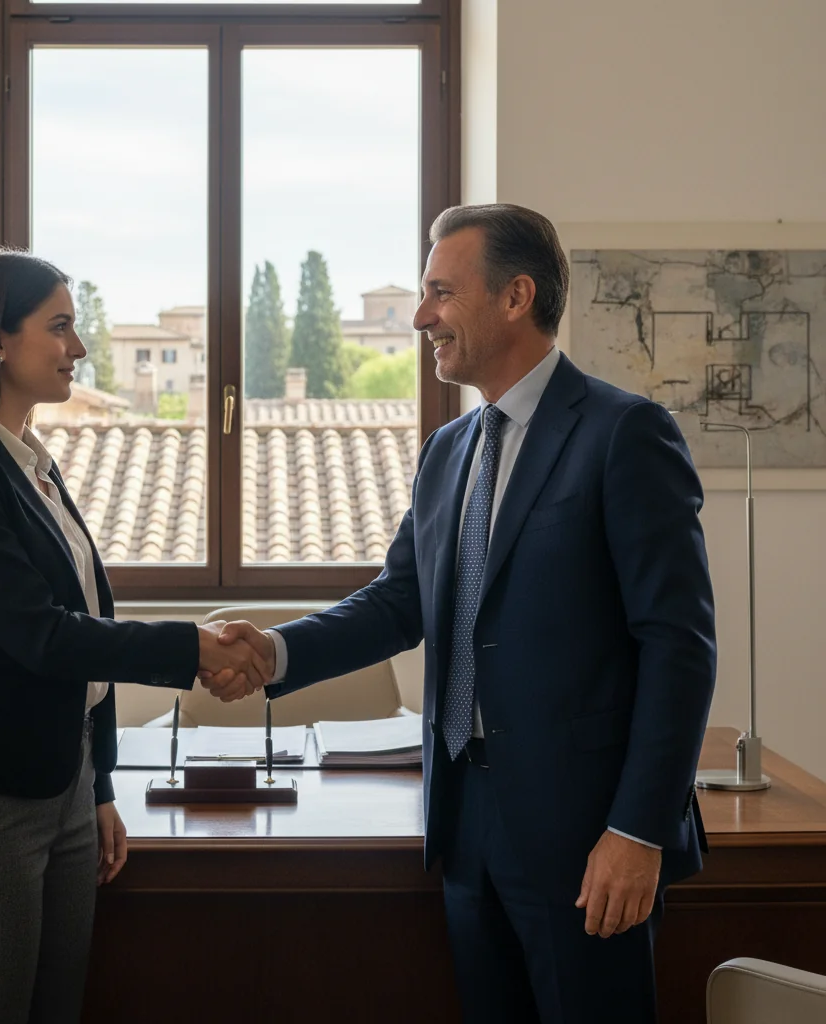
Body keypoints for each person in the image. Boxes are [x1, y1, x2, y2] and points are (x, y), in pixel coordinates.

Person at [205, 205, 716, 1023]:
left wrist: (638, 831)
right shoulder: (448, 451)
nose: (421, 317)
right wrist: (274, 651)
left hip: (588, 833)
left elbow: (679, 647)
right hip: (464, 822)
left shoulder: (625, 434)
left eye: (442, 292)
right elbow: (398, 602)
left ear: (516, 297)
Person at [0, 248, 270, 1024]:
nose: (79, 347)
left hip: (61, 792)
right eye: (59, 326)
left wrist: (97, 786)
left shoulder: (33, 467)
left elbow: (87, 633)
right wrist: (192, 648)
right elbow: (43, 637)